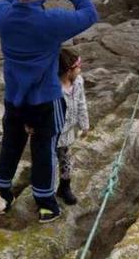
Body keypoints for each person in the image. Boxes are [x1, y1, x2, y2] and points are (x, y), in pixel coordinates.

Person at [0, 0, 98, 223]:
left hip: (15, 100)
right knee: (44, 150)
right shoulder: (52, 21)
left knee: (10, 147)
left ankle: (1, 196)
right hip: (45, 101)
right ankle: (46, 204)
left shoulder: (2, 15)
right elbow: (90, 13)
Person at [55, 47, 89, 205]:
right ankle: (45, 193)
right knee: (48, 163)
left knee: (66, 161)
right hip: (53, 134)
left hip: (68, 132)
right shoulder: (54, 88)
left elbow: (82, 103)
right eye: (78, 66)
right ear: (69, 70)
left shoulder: (78, 82)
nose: (80, 69)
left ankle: (64, 187)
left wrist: (84, 125)